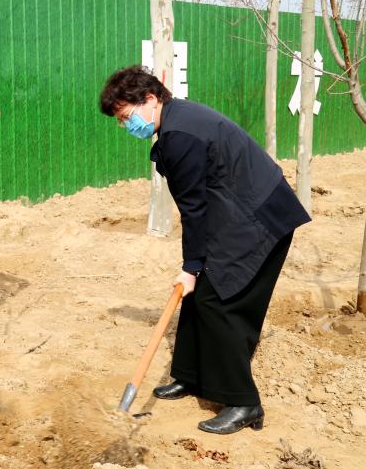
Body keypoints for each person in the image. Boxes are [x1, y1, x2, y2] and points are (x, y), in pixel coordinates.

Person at [99, 65, 311, 435]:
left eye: (127, 116)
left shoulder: (180, 135)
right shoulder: (176, 121)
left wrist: (191, 266)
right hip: (240, 210)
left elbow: (193, 210)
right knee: (196, 296)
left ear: (150, 99)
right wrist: (194, 268)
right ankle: (191, 376)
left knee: (220, 300)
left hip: (262, 217)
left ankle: (244, 402)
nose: (126, 125)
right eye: (120, 121)